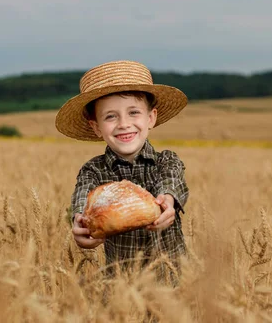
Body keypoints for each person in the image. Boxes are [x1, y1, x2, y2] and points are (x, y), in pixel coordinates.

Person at [55, 60, 189, 282]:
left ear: (150, 118)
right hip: (121, 288)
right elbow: (83, 201)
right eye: (110, 116)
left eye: (133, 112)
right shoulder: (93, 171)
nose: (124, 124)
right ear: (96, 126)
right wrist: (80, 222)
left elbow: (172, 182)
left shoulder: (167, 161)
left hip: (172, 283)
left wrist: (168, 200)